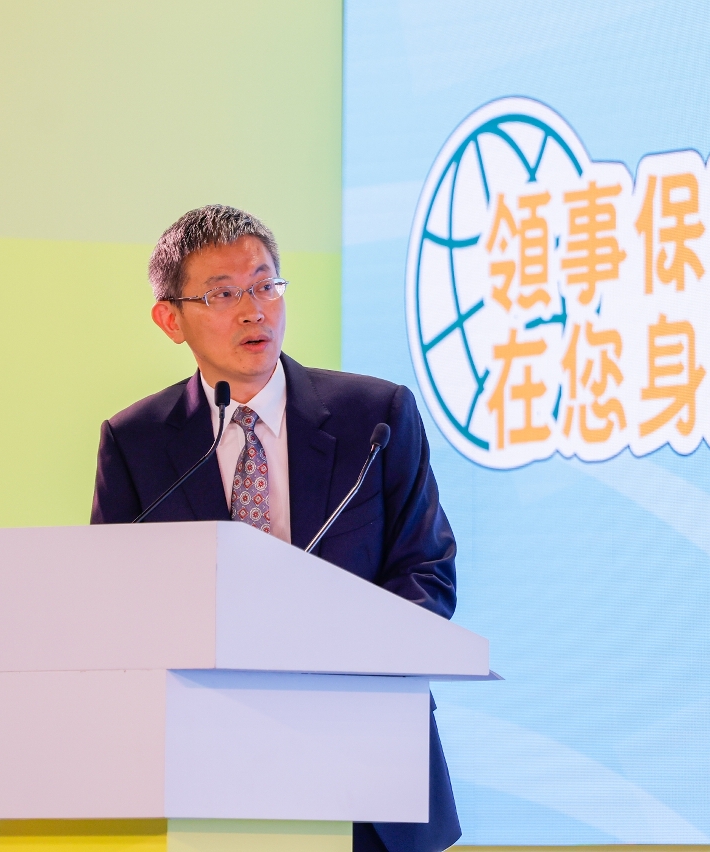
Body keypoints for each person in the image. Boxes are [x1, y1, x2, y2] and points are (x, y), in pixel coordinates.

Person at [90, 204, 461, 852]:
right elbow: (113, 606)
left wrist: (349, 661)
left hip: (368, 765)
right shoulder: (136, 443)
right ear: (170, 319)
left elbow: (426, 570)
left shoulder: (375, 418)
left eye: (265, 285)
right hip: (203, 766)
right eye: (223, 294)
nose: (253, 310)